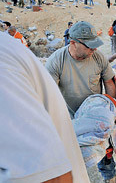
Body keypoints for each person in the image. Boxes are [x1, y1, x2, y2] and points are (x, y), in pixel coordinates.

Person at [0, 32, 90, 183]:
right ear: (73, 43)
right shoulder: (57, 59)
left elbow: (51, 175)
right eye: (89, 46)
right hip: (70, 115)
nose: (92, 50)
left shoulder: (4, 63)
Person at [46, 21, 116, 118]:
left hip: (94, 116)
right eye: (89, 46)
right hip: (68, 119)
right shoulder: (56, 61)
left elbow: (109, 83)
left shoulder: (99, 57)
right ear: (73, 43)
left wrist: (111, 113)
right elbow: (49, 94)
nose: (94, 49)